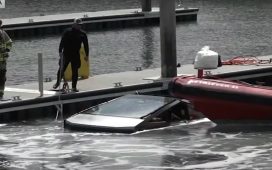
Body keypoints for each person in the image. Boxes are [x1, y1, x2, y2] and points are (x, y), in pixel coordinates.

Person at [53, 18, 89, 92]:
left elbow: (86, 45)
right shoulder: (67, 31)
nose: (79, 26)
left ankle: (74, 87)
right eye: (78, 25)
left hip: (76, 55)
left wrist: (87, 55)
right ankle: (57, 82)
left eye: (80, 25)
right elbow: (62, 41)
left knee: (75, 71)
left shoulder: (83, 34)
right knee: (61, 69)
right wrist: (60, 51)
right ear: (74, 24)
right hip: (66, 54)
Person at [0, 20, 12, 99]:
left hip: (3, 60)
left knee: (2, 77)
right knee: (2, 77)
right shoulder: (3, 33)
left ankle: (1, 93)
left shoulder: (3, 33)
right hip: (2, 60)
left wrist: (7, 49)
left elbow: (9, 42)